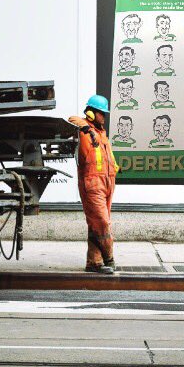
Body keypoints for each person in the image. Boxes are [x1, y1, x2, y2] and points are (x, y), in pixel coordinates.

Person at [69, 95, 118, 274]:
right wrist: (86, 127)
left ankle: (94, 263)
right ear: (91, 113)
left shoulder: (102, 133)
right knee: (102, 223)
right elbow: (71, 119)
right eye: (101, 113)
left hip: (107, 183)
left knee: (95, 224)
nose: (104, 117)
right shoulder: (83, 129)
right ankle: (109, 258)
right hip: (92, 184)